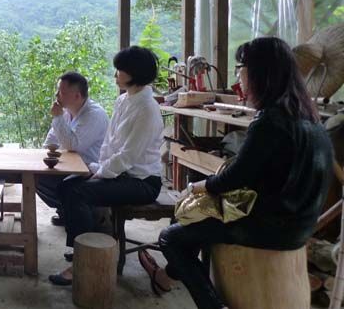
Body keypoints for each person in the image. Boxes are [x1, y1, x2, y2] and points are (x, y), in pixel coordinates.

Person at [139, 37, 333, 309]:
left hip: (270, 229)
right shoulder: (311, 120)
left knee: (171, 237)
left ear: (259, 72)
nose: (238, 76)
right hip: (300, 226)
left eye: (240, 68)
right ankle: (164, 279)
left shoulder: (270, 121)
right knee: (199, 225)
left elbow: (234, 179)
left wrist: (197, 186)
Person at [49, 46, 164, 286]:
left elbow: (128, 156)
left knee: (78, 192)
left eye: (120, 70)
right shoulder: (124, 100)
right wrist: (97, 167)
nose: (115, 74)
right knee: (66, 185)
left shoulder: (147, 109)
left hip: (141, 181)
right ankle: (85, 246)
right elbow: (109, 144)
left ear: (134, 73)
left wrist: (100, 172)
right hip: (120, 173)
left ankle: (81, 261)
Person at [37, 72, 109, 227]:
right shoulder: (67, 111)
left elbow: (73, 145)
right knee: (35, 176)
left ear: (77, 96)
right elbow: (51, 140)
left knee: (63, 185)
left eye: (61, 92)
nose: (56, 95)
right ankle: (67, 211)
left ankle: (90, 214)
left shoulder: (94, 114)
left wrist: (57, 118)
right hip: (69, 166)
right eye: (57, 90)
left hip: (90, 170)